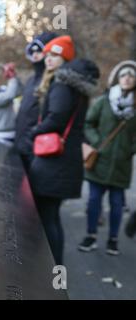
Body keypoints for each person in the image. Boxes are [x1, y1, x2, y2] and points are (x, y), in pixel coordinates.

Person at [28, 35, 100, 265]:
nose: (49, 59)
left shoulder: (61, 85)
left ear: (65, 58)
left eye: (55, 55)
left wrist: (35, 131)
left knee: (48, 217)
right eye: (47, 55)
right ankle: (55, 267)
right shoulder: (75, 86)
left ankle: (51, 269)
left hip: (53, 162)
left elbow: (56, 119)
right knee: (52, 216)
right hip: (65, 160)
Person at [78, 60, 136, 255]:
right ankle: (91, 236)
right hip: (99, 161)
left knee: (117, 204)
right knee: (94, 200)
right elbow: (88, 124)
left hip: (122, 164)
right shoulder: (104, 101)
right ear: (117, 78)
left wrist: (130, 149)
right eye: (124, 75)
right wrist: (97, 142)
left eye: (131, 75)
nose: (127, 78)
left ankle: (113, 239)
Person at [15, 32, 58, 173]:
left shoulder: (54, 81)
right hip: (21, 144)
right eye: (32, 51)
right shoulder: (30, 80)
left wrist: (33, 135)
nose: (35, 55)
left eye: (39, 51)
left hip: (38, 147)